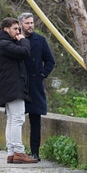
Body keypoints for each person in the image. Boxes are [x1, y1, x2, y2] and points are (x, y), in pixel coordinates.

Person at [0, 17, 37, 164]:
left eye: (18, 29)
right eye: (15, 29)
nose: (18, 32)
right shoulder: (4, 44)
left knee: (11, 119)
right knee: (17, 118)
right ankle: (18, 151)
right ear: (6, 29)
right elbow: (24, 52)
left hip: (8, 87)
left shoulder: (3, 43)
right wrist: (23, 39)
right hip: (13, 87)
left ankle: (11, 152)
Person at [20, 12, 55, 162]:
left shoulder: (40, 40)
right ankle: (16, 151)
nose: (30, 25)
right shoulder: (15, 40)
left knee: (35, 120)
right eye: (27, 23)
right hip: (19, 84)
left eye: (32, 23)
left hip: (35, 85)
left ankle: (35, 152)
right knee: (16, 119)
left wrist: (42, 74)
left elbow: (50, 61)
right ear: (21, 24)